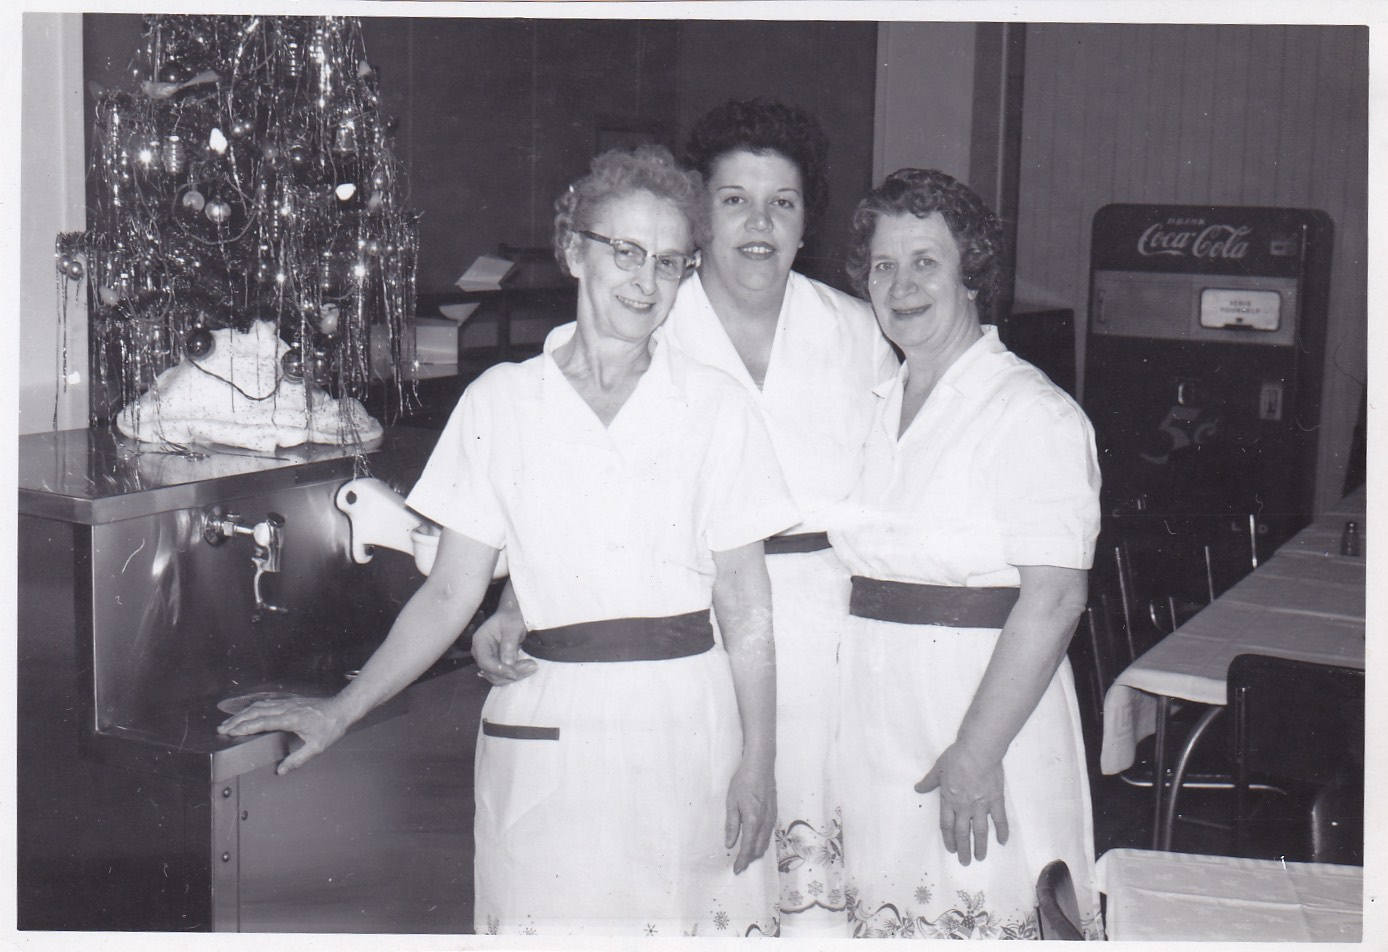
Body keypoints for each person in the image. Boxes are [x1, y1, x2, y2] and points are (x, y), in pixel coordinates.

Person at [219, 145, 795, 938]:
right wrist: (340, 711)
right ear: (573, 250)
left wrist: (760, 761)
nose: (645, 279)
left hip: (687, 726)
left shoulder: (717, 407)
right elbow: (452, 592)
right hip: (548, 731)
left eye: (669, 261)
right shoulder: (503, 403)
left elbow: (748, 602)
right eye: (625, 251)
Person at [473, 99, 897, 938]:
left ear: (808, 220)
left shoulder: (856, 332)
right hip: (691, 633)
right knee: (685, 879)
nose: (759, 223)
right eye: (734, 199)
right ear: (700, 216)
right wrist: (523, 597)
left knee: (821, 879)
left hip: (828, 629)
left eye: (783, 202)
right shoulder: (655, 313)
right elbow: (579, 476)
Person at [831, 168, 1102, 939]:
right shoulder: (876, 406)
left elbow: (1054, 601)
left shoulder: (1033, 412)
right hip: (875, 718)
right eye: (883, 265)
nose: (901, 284)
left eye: (926, 262)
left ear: (971, 272)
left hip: (984, 718)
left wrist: (977, 754)